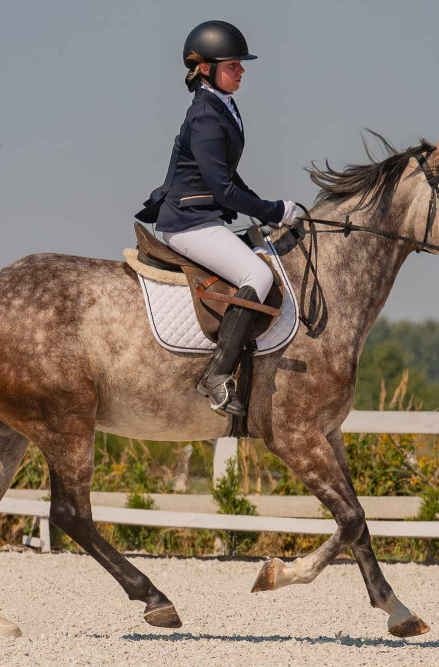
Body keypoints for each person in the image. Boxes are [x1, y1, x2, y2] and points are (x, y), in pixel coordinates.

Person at [135, 20, 301, 416]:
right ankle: (216, 376)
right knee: (258, 276)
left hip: (204, 217)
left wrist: (267, 210)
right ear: (206, 68)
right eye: (232, 64)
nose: (241, 70)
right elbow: (224, 190)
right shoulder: (207, 116)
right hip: (188, 224)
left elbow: (227, 176)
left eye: (241, 64)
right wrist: (273, 210)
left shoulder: (222, 105)